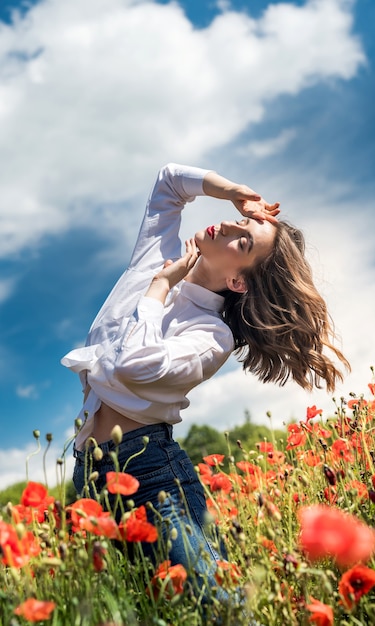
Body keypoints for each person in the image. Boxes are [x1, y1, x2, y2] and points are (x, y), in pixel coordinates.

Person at [61, 162, 349, 604]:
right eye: (244, 222)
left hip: (149, 474)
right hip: (90, 473)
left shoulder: (211, 336)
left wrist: (159, 288)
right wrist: (234, 191)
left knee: (216, 607)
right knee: (145, 607)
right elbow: (169, 181)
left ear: (238, 281)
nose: (234, 225)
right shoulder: (155, 256)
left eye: (245, 239)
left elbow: (132, 365)